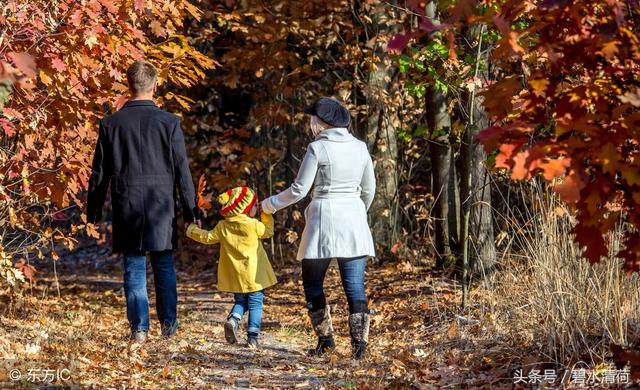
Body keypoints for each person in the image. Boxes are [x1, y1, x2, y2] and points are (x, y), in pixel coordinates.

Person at [86, 60, 199, 343]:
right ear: (155, 85)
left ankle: (139, 328)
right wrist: (191, 210)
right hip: (162, 207)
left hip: (128, 205)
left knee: (134, 267)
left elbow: (99, 172)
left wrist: (94, 210)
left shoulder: (111, 124)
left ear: (128, 86)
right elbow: (182, 170)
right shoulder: (169, 123)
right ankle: (169, 326)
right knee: (164, 265)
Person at [261, 96, 376, 359]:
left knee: (313, 283)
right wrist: (358, 212)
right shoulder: (360, 148)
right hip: (353, 218)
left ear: (321, 122)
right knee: (355, 286)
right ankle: (359, 349)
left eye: (313, 119)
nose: (311, 123)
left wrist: (268, 205)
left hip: (323, 219)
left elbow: (300, 189)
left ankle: (326, 342)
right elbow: (369, 189)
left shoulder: (317, 149)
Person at [186, 186, 277, 349]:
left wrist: (192, 230)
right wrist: (266, 214)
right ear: (245, 208)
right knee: (256, 303)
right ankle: (253, 337)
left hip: (236, 275)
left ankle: (233, 319)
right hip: (254, 275)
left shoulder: (223, 226)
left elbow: (207, 237)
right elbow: (268, 231)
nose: (256, 209)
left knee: (241, 301)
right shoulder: (253, 224)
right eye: (254, 206)